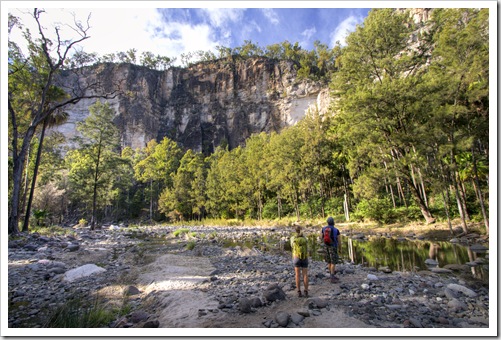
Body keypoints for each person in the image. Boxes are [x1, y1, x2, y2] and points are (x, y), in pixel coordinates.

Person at [290, 225, 309, 297]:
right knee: (305, 274)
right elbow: (308, 247)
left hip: (296, 257)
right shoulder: (305, 238)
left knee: (297, 275)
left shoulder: (293, 238)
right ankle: (306, 291)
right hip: (304, 257)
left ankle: (298, 291)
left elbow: (292, 246)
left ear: (295, 231)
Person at [321, 216, 341, 283]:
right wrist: (340, 248)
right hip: (333, 246)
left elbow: (321, 237)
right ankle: (332, 276)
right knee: (333, 262)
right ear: (333, 222)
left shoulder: (323, 229)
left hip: (326, 246)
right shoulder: (336, 230)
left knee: (329, 261)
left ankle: (330, 274)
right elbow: (339, 240)